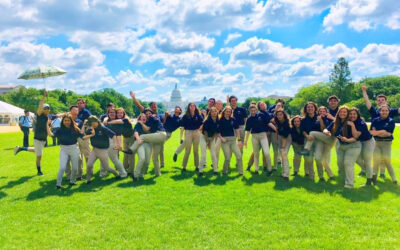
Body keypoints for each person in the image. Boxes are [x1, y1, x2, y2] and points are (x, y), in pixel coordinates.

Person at [46, 113, 94, 189]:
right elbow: (51, 135)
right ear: (63, 121)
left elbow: (83, 137)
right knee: (62, 167)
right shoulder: (60, 130)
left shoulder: (75, 129)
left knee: (75, 168)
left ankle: (72, 181)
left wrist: (91, 135)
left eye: (68, 120)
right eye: (65, 120)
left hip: (74, 149)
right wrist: (47, 126)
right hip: (64, 149)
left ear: (71, 121)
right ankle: (58, 184)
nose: (67, 122)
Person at [361, 85, 399, 178]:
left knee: (385, 157)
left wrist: (380, 131)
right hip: (375, 139)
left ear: (386, 101)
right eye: (379, 100)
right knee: (375, 157)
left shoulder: (391, 111)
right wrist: (364, 91)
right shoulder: (375, 111)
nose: (380, 101)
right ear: (377, 102)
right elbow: (367, 102)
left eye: (382, 100)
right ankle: (371, 173)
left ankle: (382, 173)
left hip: (386, 138)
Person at [324, 106, 361, 188]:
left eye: (345, 112)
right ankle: (345, 179)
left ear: (347, 113)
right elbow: (326, 129)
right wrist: (327, 132)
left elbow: (356, 137)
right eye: (341, 112)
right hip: (342, 146)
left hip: (353, 146)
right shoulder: (335, 122)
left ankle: (349, 184)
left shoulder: (351, 122)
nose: (343, 113)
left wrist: (351, 128)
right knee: (340, 164)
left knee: (348, 163)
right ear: (338, 113)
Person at [14, 91, 49, 176]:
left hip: (43, 138)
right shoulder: (40, 115)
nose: (47, 110)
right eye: (46, 108)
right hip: (37, 138)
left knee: (36, 151)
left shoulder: (46, 117)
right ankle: (39, 172)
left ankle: (20, 148)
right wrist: (43, 97)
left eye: (48, 109)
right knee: (39, 156)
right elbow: (40, 105)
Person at [129, 108, 167, 176]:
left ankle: (131, 149)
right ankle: (158, 173)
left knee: (142, 136)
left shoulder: (152, 118)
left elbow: (147, 129)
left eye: (149, 113)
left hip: (160, 134)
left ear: (152, 114)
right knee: (154, 157)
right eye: (147, 114)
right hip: (156, 138)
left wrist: (140, 122)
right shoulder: (148, 121)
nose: (148, 115)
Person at [85, 116, 121, 184]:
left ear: (97, 121)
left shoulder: (103, 128)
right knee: (89, 165)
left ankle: (116, 174)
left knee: (106, 167)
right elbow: (84, 136)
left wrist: (115, 144)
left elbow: (113, 135)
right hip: (94, 150)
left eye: (94, 123)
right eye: (91, 124)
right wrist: (90, 133)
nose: (93, 125)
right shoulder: (90, 129)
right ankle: (88, 180)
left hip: (103, 150)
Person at [303, 106, 335, 181]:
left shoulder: (327, 118)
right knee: (316, 159)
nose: (322, 113)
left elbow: (324, 129)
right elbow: (303, 129)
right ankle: (326, 175)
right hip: (317, 140)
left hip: (326, 139)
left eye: (323, 111)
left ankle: (306, 149)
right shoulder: (313, 118)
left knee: (319, 158)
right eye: (320, 112)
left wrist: (321, 121)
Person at [370, 105, 397, 185]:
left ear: (388, 112)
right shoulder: (375, 120)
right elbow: (371, 132)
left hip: (387, 143)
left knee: (387, 161)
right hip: (376, 143)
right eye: (382, 110)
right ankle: (374, 179)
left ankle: (394, 180)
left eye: (386, 111)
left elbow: (388, 134)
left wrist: (377, 132)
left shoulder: (391, 121)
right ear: (379, 111)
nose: (384, 112)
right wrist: (382, 131)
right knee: (376, 161)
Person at [244, 104, 274, 175]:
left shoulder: (261, 115)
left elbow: (268, 123)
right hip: (254, 136)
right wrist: (246, 141)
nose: (253, 112)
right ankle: (256, 169)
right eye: (251, 111)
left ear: (256, 110)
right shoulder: (249, 119)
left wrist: (275, 129)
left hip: (263, 135)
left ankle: (269, 169)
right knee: (256, 154)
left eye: (254, 110)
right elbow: (248, 131)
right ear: (249, 111)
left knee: (266, 152)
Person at [349, 108, 375, 185]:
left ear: (357, 115)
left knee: (367, 161)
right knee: (356, 158)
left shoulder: (361, 123)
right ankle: (371, 173)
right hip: (359, 142)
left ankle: (369, 181)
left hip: (368, 142)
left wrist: (352, 125)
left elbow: (356, 135)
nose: (352, 115)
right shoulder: (348, 121)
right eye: (351, 114)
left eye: (354, 114)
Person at [177, 102, 203, 172]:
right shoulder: (185, 116)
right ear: (189, 107)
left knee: (196, 151)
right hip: (188, 133)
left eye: (194, 106)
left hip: (196, 133)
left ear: (195, 107)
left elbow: (202, 124)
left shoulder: (198, 115)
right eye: (191, 106)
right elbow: (182, 127)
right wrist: (181, 137)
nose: (192, 107)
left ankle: (197, 166)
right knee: (187, 151)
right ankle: (184, 167)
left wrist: (199, 129)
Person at [102, 108, 128, 178]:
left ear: (115, 113)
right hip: (104, 142)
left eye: (113, 112)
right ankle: (103, 173)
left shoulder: (117, 123)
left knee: (114, 159)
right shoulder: (106, 120)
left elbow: (119, 135)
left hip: (113, 142)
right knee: (103, 157)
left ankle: (123, 173)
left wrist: (119, 145)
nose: (112, 113)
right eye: (110, 112)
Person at [219, 106, 243, 175]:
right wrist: (221, 138)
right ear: (224, 112)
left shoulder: (233, 119)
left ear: (231, 113)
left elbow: (237, 130)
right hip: (224, 141)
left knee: (239, 155)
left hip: (233, 140)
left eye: (229, 112)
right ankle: (224, 171)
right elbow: (217, 131)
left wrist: (239, 140)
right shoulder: (220, 120)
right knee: (227, 157)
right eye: (227, 111)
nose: (228, 113)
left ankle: (241, 172)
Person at [300, 102, 320, 180]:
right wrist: (307, 136)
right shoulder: (303, 119)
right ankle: (312, 175)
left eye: (312, 107)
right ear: (306, 109)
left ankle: (321, 176)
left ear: (315, 108)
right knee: (309, 159)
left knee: (318, 158)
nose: (310, 108)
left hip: (318, 141)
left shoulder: (319, 117)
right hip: (308, 140)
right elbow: (302, 130)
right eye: (308, 107)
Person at [199, 107, 220, 175]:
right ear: (210, 113)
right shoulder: (207, 121)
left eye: (215, 111)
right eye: (212, 111)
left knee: (213, 154)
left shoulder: (218, 121)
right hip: (204, 137)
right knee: (203, 155)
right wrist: (208, 141)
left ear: (217, 112)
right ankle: (201, 170)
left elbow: (216, 132)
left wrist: (212, 140)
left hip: (212, 138)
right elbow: (205, 131)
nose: (214, 113)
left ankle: (215, 170)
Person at [132, 114, 152, 181]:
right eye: (142, 117)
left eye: (145, 117)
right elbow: (136, 132)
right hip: (140, 143)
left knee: (147, 161)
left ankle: (141, 173)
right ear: (139, 118)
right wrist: (138, 139)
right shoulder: (138, 124)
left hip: (148, 144)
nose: (143, 117)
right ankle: (135, 175)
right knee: (142, 158)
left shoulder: (149, 124)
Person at [274, 109, 292, 181]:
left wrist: (283, 146)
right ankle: (283, 173)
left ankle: (286, 175)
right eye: (278, 115)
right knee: (282, 155)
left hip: (287, 138)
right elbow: (277, 130)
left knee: (284, 153)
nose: (279, 116)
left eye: (281, 114)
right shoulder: (278, 121)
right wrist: (277, 139)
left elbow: (285, 135)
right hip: (281, 138)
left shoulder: (286, 122)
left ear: (284, 115)